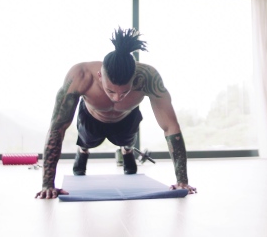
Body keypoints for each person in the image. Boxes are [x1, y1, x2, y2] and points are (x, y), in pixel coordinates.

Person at [35, 28, 197, 199]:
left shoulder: (149, 78)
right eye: (110, 91)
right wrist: (47, 184)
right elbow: (57, 127)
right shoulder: (81, 75)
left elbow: (170, 127)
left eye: (124, 92)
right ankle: (83, 151)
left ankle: (127, 150)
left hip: (126, 118)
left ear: (134, 78)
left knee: (127, 140)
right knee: (87, 140)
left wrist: (182, 181)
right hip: (92, 118)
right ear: (99, 76)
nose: (118, 98)